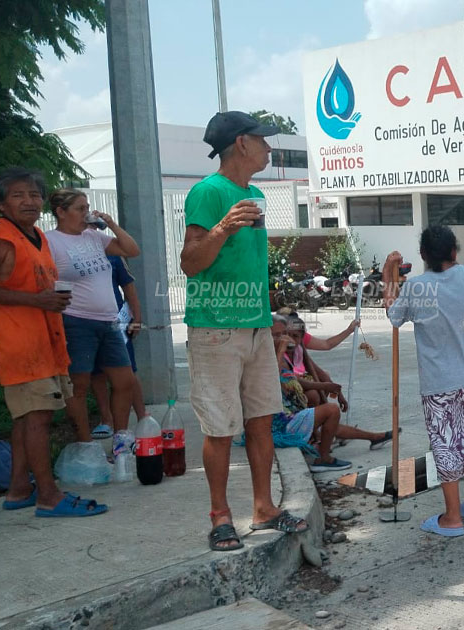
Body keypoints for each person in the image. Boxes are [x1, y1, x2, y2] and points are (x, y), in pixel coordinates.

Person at [180, 110, 307, 552]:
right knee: (219, 427)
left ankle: (264, 508)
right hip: (215, 330)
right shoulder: (208, 193)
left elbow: (246, 264)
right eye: (263, 140)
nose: (270, 148)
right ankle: (219, 517)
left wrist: (266, 314)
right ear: (241, 144)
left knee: (261, 422)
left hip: (254, 329)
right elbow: (190, 262)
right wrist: (222, 227)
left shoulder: (253, 193)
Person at [0, 167, 106, 517]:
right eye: (17, 195)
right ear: (0, 202)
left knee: (26, 418)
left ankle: (18, 488)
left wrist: (48, 300)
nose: (29, 201)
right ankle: (48, 496)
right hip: (22, 345)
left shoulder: (36, 235)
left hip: (47, 343)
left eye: (34, 194)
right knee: (38, 419)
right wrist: (37, 301)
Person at [386, 226, 464, 537]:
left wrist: (387, 277)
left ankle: (452, 517)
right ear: (453, 251)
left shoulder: (416, 287)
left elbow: (393, 316)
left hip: (440, 381)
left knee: (446, 442)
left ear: (423, 256)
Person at [45, 189, 141, 445]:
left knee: (125, 380)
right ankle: (85, 443)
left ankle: (121, 437)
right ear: (61, 212)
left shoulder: (94, 237)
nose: (86, 213)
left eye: (87, 207)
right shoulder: (50, 241)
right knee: (79, 385)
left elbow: (132, 250)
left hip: (109, 321)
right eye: (79, 208)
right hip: (75, 320)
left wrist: (110, 223)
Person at [269, 315, 391, 472]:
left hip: (290, 414)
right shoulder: (271, 356)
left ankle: (375, 438)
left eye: (285, 334)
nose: (284, 338)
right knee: (328, 409)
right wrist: (280, 350)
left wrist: (330, 387)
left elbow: (317, 369)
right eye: (277, 335)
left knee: (330, 419)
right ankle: (323, 457)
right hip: (278, 423)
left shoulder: (295, 351)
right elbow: (273, 380)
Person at [88, 255, 148, 438]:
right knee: (96, 372)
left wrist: (136, 318)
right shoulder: (70, 251)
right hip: (87, 322)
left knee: (128, 370)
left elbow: (129, 288)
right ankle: (106, 420)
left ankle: (143, 416)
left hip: (116, 321)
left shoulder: (113, 253)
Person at [283, 315, 356, 408]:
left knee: (324, 378)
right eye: (286, 334)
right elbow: (294, 380)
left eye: (295, 336)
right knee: (313, 395)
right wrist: (324, 386)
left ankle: (317, 414)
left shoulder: (299, 350)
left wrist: (338, 392)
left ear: (302, 338)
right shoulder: (279, 352)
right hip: (287, 389)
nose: (289, 339)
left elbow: (326, 345)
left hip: (299, 384)